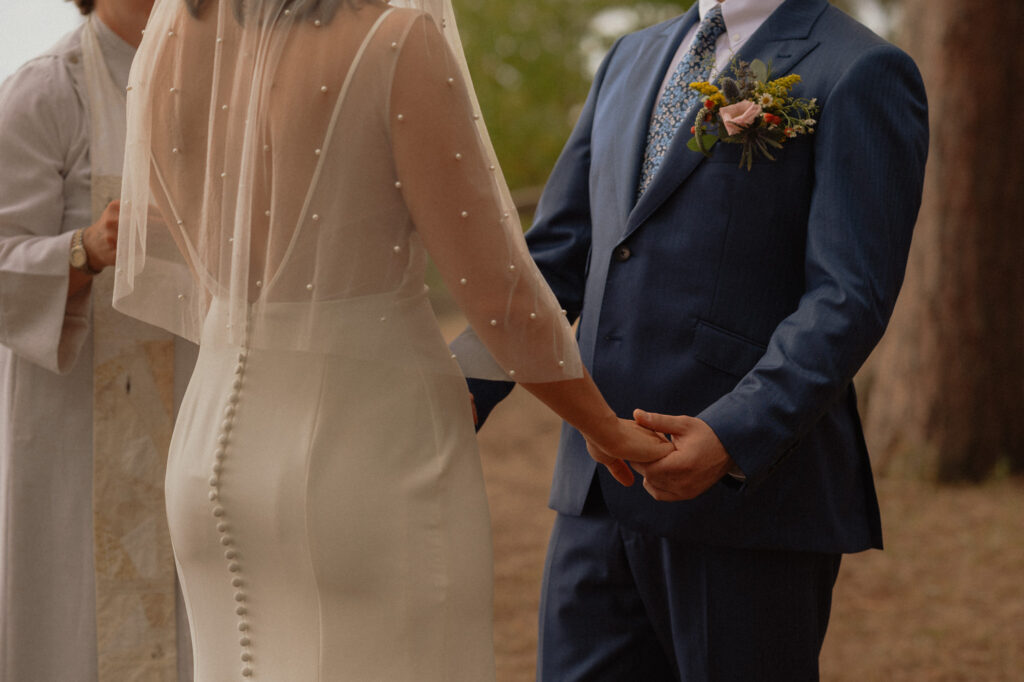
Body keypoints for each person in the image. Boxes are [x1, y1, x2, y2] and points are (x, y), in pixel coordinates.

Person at [110, 0, 671, 679]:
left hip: (207, 449)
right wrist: (604, 426)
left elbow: (189, 249)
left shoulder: (169, 40)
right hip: (364, 451)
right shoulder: (394, 39)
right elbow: (500, 295)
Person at [459, 0, 929, 679]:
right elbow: (560, 253)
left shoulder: (863, 69)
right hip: (596, 489)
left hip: (749, 504)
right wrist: (466, 383)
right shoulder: (628, 56)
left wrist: (734, 435)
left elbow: (848, 296)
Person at [0, 1, 199, 680]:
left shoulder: (226, 82)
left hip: (207, 416)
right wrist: (85, 250)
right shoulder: (46, 90)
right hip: (80, 435)